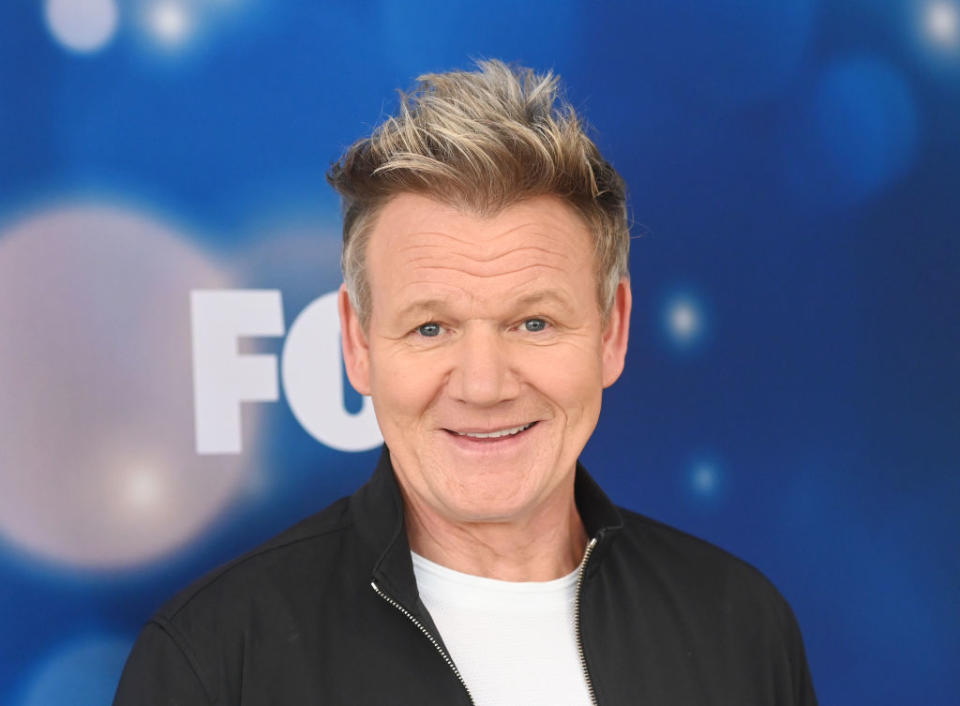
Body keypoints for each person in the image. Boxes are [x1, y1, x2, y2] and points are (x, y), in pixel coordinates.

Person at [114, 60, 817, 705]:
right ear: (358, 342)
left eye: (534, 323)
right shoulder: (214, 662)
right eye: (431, 328)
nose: (483, 386)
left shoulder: (739, 626)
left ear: (612, 330)